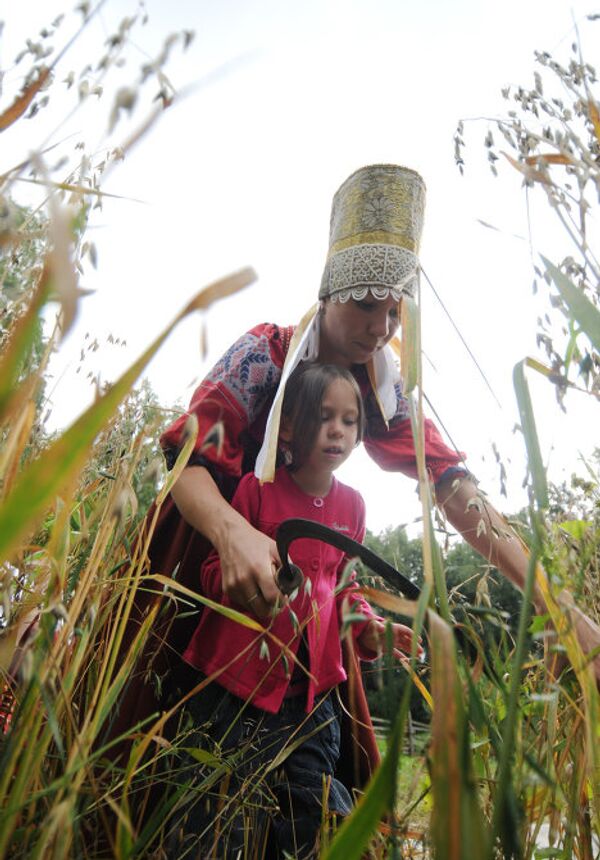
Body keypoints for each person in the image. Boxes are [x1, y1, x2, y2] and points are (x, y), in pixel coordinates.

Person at [170, 362, 419, 857]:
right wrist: (244, 585)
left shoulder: (354, 507)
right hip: (236, 685)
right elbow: (214, 570)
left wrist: (369, 628)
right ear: (287, 426)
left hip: (313, 695)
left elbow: (343, 588)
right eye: (324, 416)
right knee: (215, 813)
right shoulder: (257, 490)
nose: (337, 430)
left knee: (313, 812)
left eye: (349, 421)